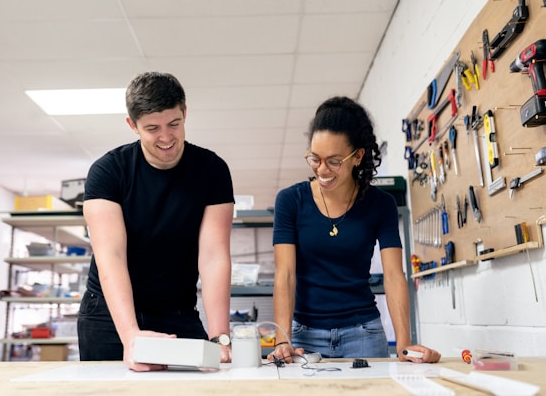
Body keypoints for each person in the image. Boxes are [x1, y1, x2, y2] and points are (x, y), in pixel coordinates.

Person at [78, 72, 235, 371]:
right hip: (110, 316)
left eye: (174, 124)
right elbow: (110, 256)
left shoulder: (212, 170)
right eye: (152, 128)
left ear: (185, 113)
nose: (166, 137)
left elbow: (214, 256)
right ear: (132, 125)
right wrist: (130, 336)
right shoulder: (108, 172)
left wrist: (219, 336)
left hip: (176, 310)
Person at [268, 96, 441, 364]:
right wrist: (282, 340)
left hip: (363, 334)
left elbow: (394, 276)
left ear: (358, 156)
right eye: (315, 158)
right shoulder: (291, 201)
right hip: (304, 336)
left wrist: (404, 344)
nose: (321, 169)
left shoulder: (380, 204)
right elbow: (286, 274)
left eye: (334, 161)